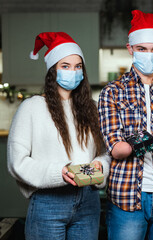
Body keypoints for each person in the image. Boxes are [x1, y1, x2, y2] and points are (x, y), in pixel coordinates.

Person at [7, 32, 111, 240]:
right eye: (65, 66)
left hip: (88, 201)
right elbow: (16, 162)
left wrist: (101, 165)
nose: (73, 71)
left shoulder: (91, 108)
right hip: (48, 203)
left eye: (77, 66)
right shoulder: (31, 108)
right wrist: (58, 172)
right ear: (52, 71)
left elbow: (105, 152)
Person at [98, 10, 153, 240]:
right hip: (125, 197)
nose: (149, 55)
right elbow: (117, 149)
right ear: (130, 49)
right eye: (142, 49)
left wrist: (134, 141)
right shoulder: (112, 92)